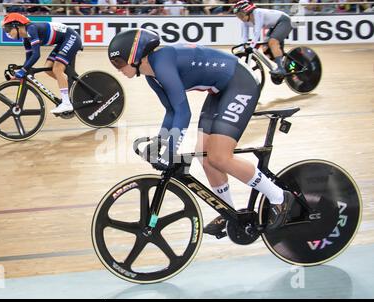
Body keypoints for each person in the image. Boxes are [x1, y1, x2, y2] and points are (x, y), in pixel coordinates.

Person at [107, 28, 295, 236]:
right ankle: (228, 212)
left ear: (135, 56)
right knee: (204, 156)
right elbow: (171, 111)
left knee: (220, 156)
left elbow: (183, 113)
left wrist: (170, 151)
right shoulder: (152, 76)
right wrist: (160, 142)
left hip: (239, 83)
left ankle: (279, 197)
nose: (118, 69)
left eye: (119, 63)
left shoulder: (162, 63)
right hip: (220, 91)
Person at [1, 13, 83, 114]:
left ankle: (66, 103)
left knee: (57, 69)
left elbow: (36, 55)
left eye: (8, 29)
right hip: (63, 41)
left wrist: (23, 70)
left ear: (17, 26)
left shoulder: (31, 29)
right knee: (47, 68)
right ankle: (69, 83)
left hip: (71, 38)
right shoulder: (26, 39)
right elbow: (29, 59)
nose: (7, 33)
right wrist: (21, 72)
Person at [232, 0, 293, 76]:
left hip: (284, 21)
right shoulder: (244, 22)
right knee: (265, 48)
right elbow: (244, 37)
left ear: (247, 10)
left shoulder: (257, 13)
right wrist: (240, 51)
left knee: (272, 42)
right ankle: (283, 65)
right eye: (238, 16)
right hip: (274, 26)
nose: (240, 18)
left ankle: (281, 69)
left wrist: (251, 47)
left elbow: (257, 32)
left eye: (241, 15)